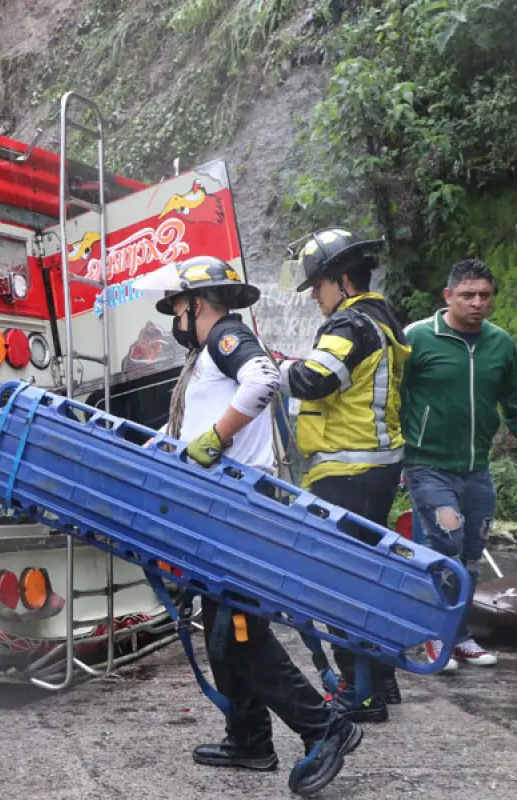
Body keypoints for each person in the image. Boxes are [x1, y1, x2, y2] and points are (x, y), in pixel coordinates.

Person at [154, 256, 361, 797]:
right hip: (218, 510)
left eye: (178, 307)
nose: (176, 318)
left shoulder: (225, 337)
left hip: (235, 512)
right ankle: (248, 739)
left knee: (240, 636)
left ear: (197, 304)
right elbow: (186, 425)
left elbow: (265, 378)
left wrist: (218, 438)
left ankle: (324, 726)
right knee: (224, 636)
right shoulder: (205, 356)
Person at [278, 228, 410, 722]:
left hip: (345, 469)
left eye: (317, 285)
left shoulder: (349, 323)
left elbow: (314, 379)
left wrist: (275, 366)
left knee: (336, 586)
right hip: (372, 467)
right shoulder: (382, 319)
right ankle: (382, 681)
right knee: (366, 579)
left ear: (341, 280)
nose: (315, 295)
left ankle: (363, 695)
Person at [402, 258, 517, 669]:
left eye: (485, 295)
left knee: (471, 554)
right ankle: (434, 636)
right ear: (448, 295)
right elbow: (391, 397)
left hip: (477, 467)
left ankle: (461, 635)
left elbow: (514, 400)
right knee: (444, 546)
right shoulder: (416, 338)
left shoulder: (501, 344)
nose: (477, 302)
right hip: (427, 463)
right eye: (468, 294)